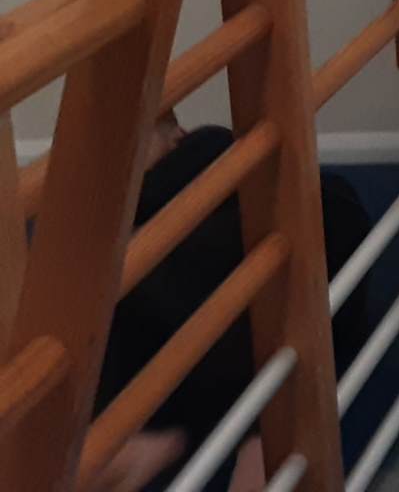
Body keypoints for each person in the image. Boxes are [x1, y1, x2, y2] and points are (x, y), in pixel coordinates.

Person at [87, 113, 372, 492]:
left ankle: (253, 439)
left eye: (131, 151)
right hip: (265, 327)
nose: (120, 170)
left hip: (284, 293)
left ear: (177, 137)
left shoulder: (205, 161)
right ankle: (248, 437)